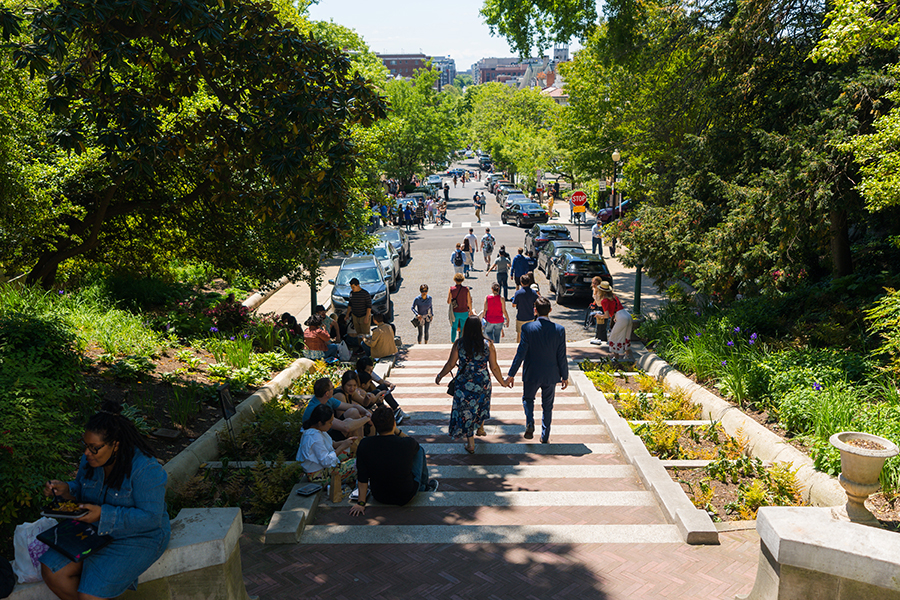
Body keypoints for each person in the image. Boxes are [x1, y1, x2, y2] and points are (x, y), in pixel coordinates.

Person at [41, 402, 170, 600]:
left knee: (90, 595)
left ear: (115, 444)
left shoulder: (146, 469)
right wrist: (67, 490)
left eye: (94, 448)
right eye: (86, 446)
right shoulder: (90, 461)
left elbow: (151, 518)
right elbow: (82, 490)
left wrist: (103, 514)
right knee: (52, 571)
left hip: (140, 536)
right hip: (94, 530)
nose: (87, 453)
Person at [435, 317, 509, 453]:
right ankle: (480, 428)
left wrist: (440, 375)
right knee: (481, 405)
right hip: (482, 382)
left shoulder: (459, 344)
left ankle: (471, 443)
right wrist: (503, 382)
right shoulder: (488, 344)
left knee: (466, 411)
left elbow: (450, 364)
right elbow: (494, 367)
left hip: (464, 383)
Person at [349, 407, 438, 516]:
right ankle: (424, 486)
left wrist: (361, 503)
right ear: (394, 423)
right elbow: (415, 444)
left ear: (375, 425)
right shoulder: (407, 443)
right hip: (406, 495)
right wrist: (397, 431)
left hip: (379, 495)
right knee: (419, 450)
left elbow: (362, 476)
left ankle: (424, 486)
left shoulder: (364, 444)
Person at [506, 297, 569, 443]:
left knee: (528, 399)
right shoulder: (559, 330)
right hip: (551, 374)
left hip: (532, 372)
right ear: (550, 310)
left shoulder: (527, 328)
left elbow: (520, 353)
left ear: (535, 310)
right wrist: (564, 376)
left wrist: (511, 374)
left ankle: (529, 421)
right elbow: (561, 355)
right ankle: (545, 435)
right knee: (548, 406)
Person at [297, 404, 357, 485]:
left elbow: (332, 444)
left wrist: (346, 442)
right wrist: (343, 446)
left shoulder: (318, 430)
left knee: (353, 451)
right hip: (319, 474)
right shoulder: (314, 436)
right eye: (330, 422)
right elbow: (326, 461)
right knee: (358, 463)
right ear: (319, 423)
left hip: (324, 466)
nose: (331, 424)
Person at [303, 377, 370, 440]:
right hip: (319, 437)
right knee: (349, 423)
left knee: (353, 412)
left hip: (326, 429)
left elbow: (353, 406)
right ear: (327, 393)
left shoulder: (328, 399)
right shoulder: (318, 409)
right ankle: (357, 445)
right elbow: (346, 427)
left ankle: (359, 442)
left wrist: (367, 413)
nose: (334, 389)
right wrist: (367, 418)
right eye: (332, 388)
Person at [355, 357, 408, 425]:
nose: (371, 372)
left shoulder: (368, 373)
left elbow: (380, 381)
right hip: (362, 402)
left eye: (372, 370)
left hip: (370, 397)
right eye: (368, 370)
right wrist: (380, 393)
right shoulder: (355, 378)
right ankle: (384, 416)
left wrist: (390, 384)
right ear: (361, 370)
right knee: (377, 391)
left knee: (382, 387)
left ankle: (396, 409)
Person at [594, 281, 633, 360]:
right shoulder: (614, 296)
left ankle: (616, 357)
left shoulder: (604, 301)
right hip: (627, 315)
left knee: (613, 337)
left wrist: (599, 316)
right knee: (626, 336)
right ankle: (628, 355)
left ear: (601, 291)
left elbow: (606, 315)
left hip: (621, 318)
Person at [511, 273, 538, 342]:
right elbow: (537, 302)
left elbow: (513, 305)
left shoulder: (518, 293)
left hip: (521, 317)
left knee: (519, 334)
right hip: (530, 317)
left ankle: (519, 348)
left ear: (521, 282)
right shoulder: (533, 293)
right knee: (530, 334)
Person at [448, 273, 474, 343]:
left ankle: (453, 342)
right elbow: (469, 301)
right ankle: (461, 342)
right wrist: (470, 310)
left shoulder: (451, 289)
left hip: (455, 311)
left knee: (454, 327)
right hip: (464, 311)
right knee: (463, 328)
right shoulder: (466, 289)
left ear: (455, 280)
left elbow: (448, 301)